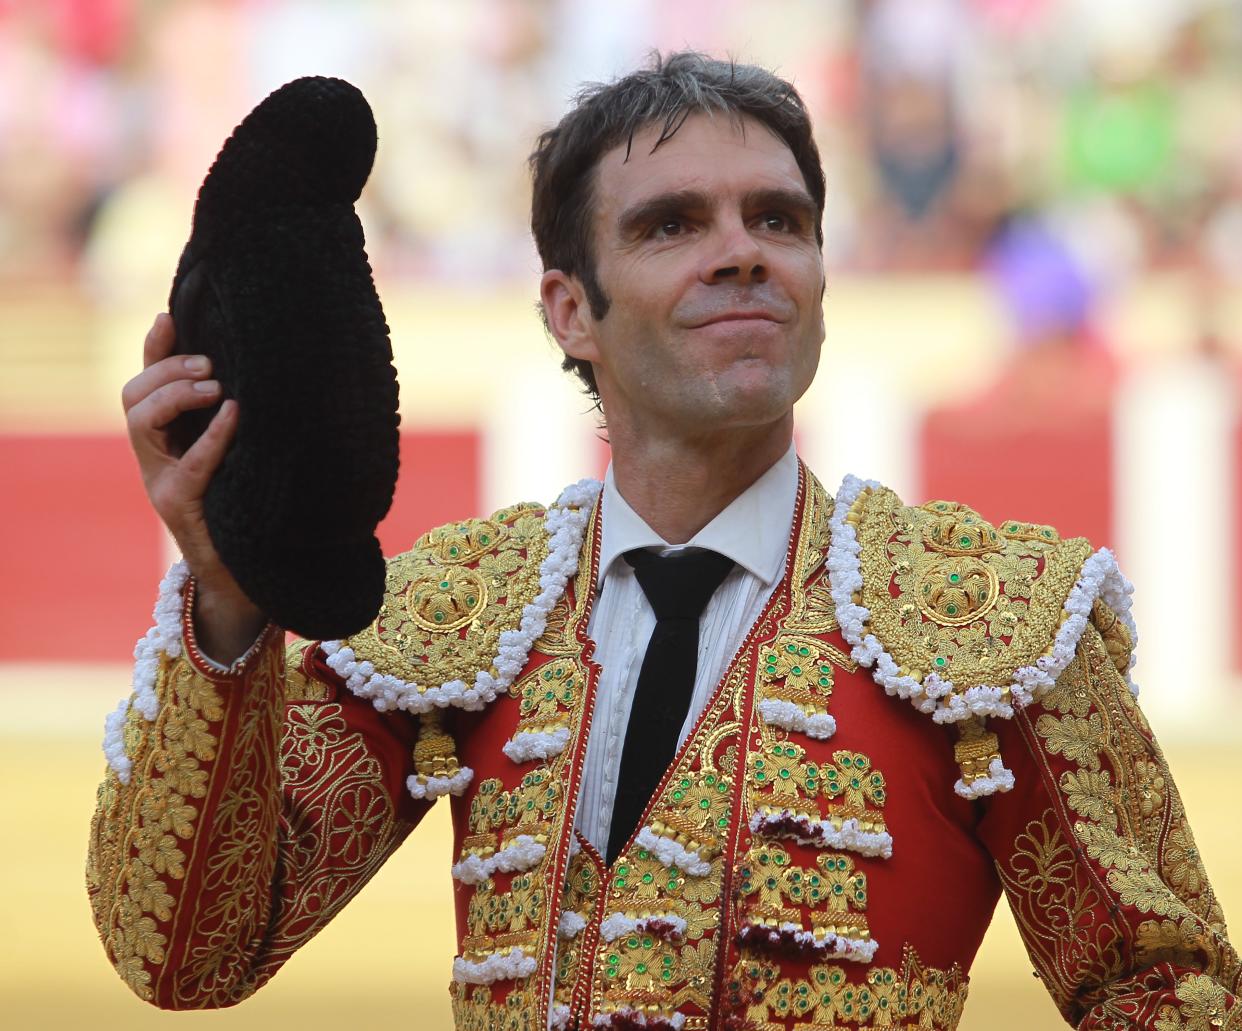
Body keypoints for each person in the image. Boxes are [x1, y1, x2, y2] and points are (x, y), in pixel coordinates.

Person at [87, 52, 1238, 1030]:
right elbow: (194, 955)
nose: (743, 252)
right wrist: (229, 596)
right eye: (671, 224)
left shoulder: (988, 618)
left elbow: (1167, 986)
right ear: (569, 309)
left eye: (777, 219)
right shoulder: (460, 616)